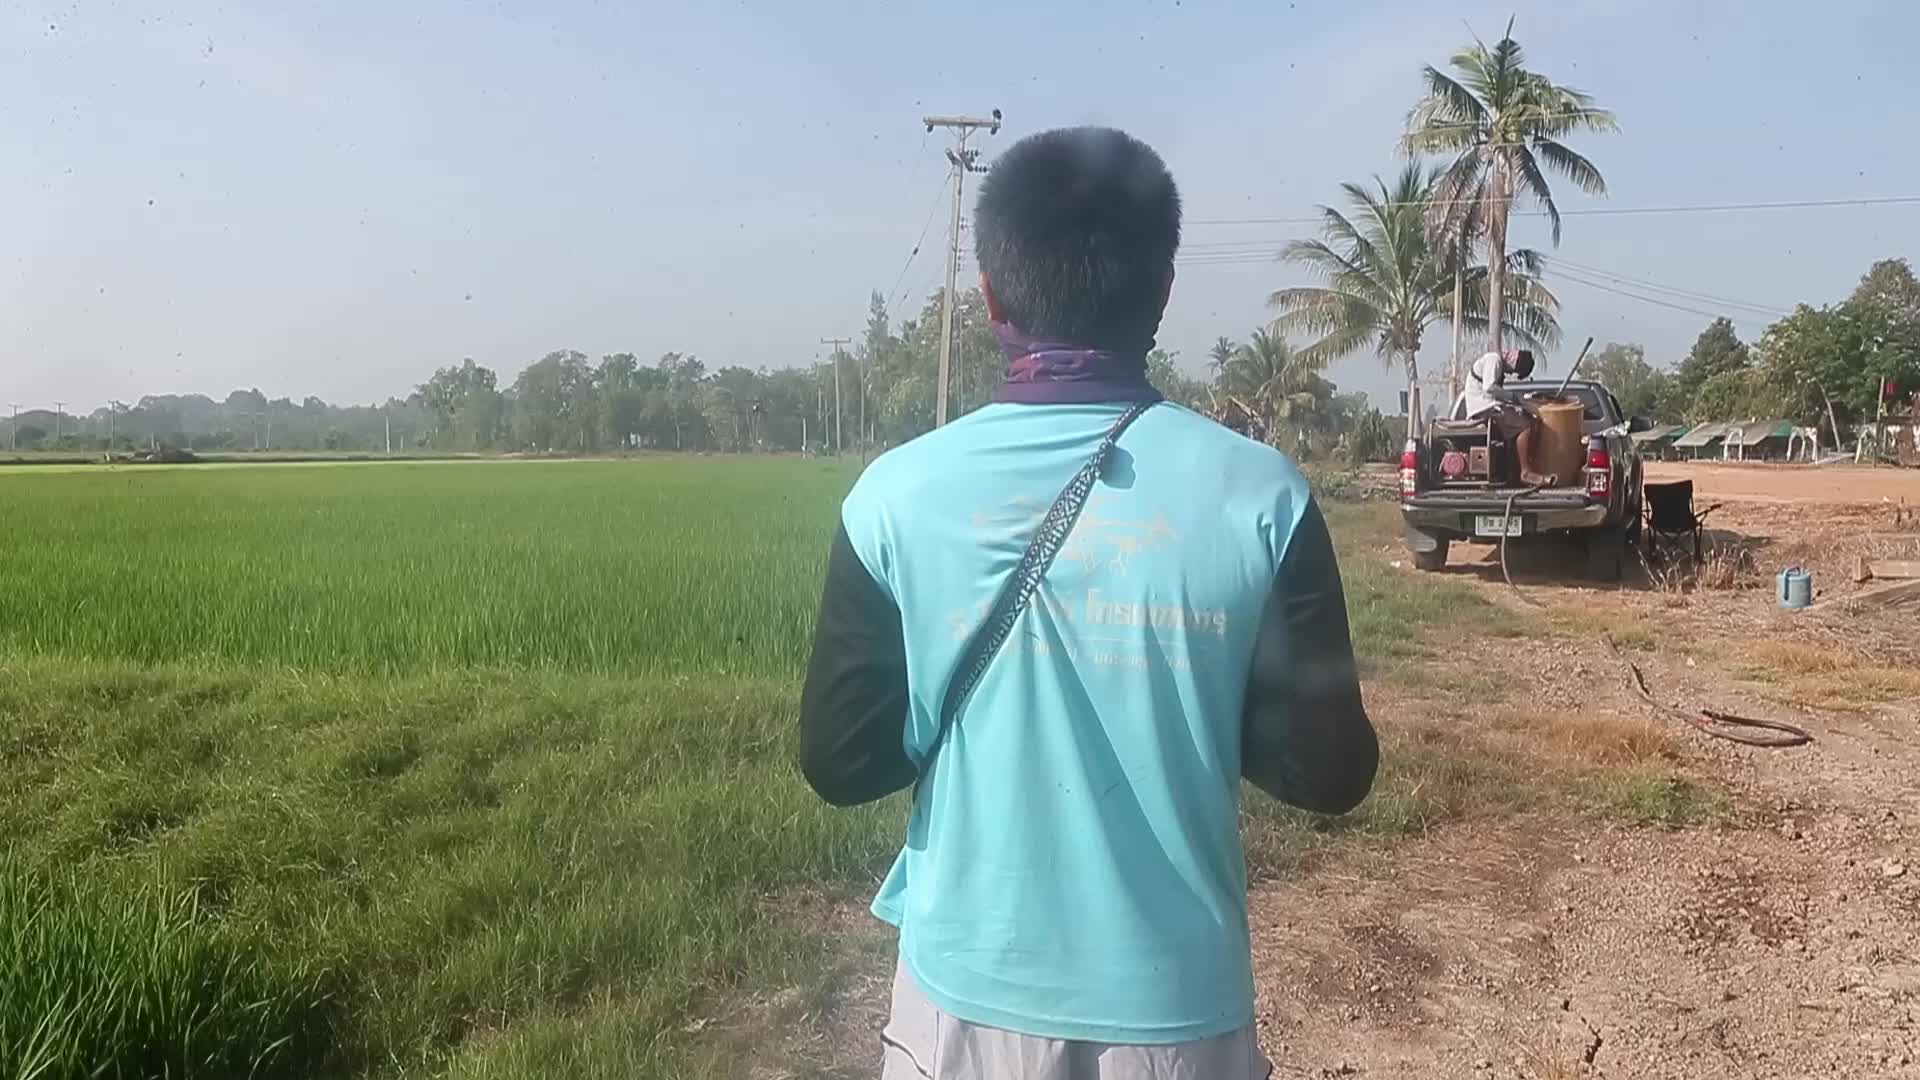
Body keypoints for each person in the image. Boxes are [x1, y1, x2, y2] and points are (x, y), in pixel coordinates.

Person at [797, 126, 1377, 1080]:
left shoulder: (895, 495)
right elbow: (1330, 773)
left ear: (989, 297)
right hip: (1180, 1013)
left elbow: (842, 763)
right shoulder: (1262, 495)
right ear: (1161, 293)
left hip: (963, 1008)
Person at [1462, 347, 1553, 484]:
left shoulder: (1496, 362)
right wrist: (1511, 397)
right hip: (1483, 406)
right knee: (1524, 426)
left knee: (1515, 424)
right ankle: (1526, 472)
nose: (1512, 373)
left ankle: (1512, 473)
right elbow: (1489, 388)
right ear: (1515, 363)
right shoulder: (1494, 360)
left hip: (1487, 404)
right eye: (1515, 370)